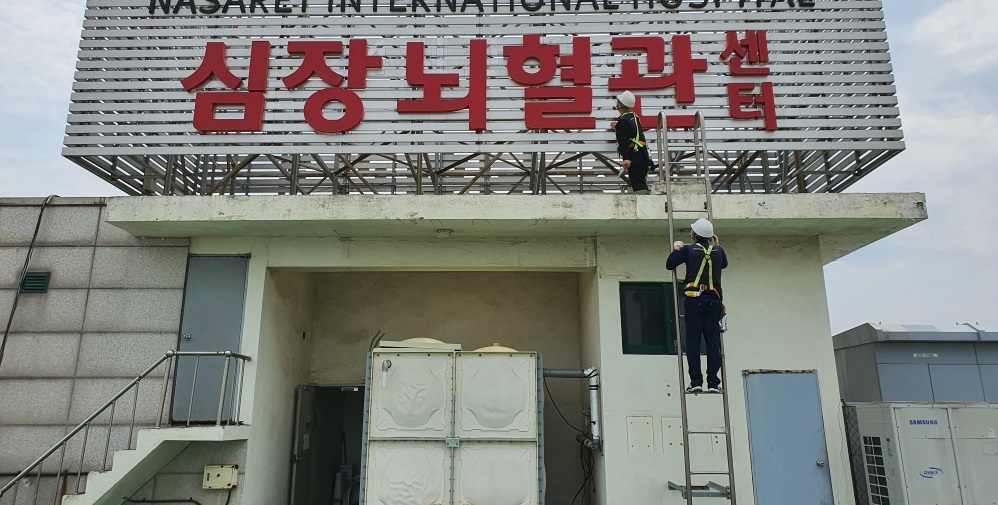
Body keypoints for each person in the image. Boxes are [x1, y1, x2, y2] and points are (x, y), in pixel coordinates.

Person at [666, 217, 728, 393]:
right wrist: (716, 245)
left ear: (694, 234)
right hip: (714, 301)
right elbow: (724, 264)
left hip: (695, 300)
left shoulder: (688, 250)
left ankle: (696, 382)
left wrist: (677, 247)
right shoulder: (719, 251)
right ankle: (714, 383)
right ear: (710, 236)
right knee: (713, 342)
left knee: (693, 341)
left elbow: (670, 264)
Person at [611, 91, 655, 195]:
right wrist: (618, 125)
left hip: (635, 156)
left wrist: (625, 158)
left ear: (621, 104)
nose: (616, 102)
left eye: (618, 101)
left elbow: (623, 140)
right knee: (641, 181)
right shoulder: (633, 117)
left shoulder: (623, 121)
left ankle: (644, 206)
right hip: (642, 154)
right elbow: (634, 133)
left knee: (638, 184)